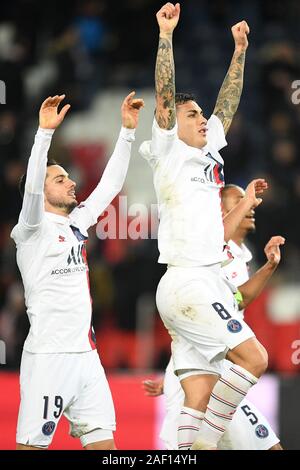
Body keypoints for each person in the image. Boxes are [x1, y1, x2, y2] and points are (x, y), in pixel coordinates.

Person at [139, 2, 272, 450]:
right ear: (171, 126)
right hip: (188, 280)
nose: (202, 120)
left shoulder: (206, 151)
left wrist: (239, 51)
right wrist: (165, 35)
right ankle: (206, 446)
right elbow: (164, 95)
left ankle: (186, 450)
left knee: (196, 395)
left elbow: (228, 103)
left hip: (205, 282)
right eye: (192, 115)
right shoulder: (168, 150)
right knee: (254, 358)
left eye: (200, 115)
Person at [11, 92, 144, 450]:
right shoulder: (31, 230)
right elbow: (33, 192)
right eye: (59, 179)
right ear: (41, 189)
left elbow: (110, 186)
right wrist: (44, 135)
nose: (71, 182)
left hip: (87, 358)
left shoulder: (77, 224)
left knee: (106, 447)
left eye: (68, 176)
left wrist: (128, 132)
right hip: (49, 358)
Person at [143, 184, 285, 450]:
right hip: (212, 368)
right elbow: (206, 311)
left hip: (220, 366)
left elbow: (237, 300)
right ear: (222, 210)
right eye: (239, 200)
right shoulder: (212, 252)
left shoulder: (241, 255)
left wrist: (268, 266)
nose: (251, 204)